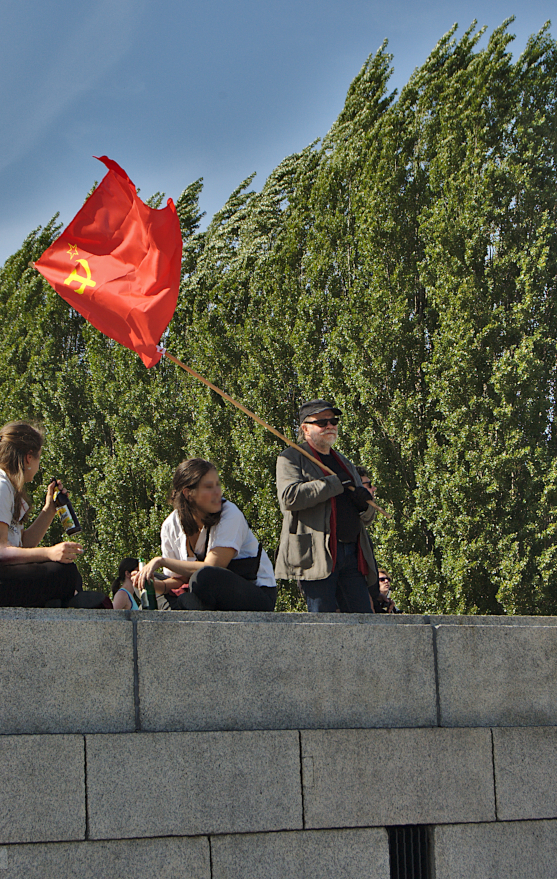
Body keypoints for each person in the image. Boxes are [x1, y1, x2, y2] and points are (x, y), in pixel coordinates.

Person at [275, 400, 381, 613]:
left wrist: (364, 505)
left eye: (333, 421)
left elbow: (368, 517)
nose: (330, 426)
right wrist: (332, 484)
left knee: (365, 622)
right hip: (316, 555)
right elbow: (289, 497)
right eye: (322, 422)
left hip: (352, 554)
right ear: (305, 428)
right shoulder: (290, 458)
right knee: (322, 622)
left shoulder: (344, 462)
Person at [135, 458, 277, 612]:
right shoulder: (170, 526)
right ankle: (184, 608)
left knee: (204, 578)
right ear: (188, 494)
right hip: (199, 592)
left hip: (254, 593)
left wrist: (161, 561)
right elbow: (179, 578)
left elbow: (213, 567)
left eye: (217, 485)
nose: (217, 492)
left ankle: (185, 608)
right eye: (209, 487)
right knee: (139, 575)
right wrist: (156, 586)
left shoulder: (230, 514)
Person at [0, 420, 84, 607]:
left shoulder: (11, 488)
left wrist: (49, 510)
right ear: (29, 458)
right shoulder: (1, 486)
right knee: (65, 574)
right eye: (39, 458)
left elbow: (24, 545)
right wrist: (49, 553)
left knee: (68, 573)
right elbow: (2, 552)